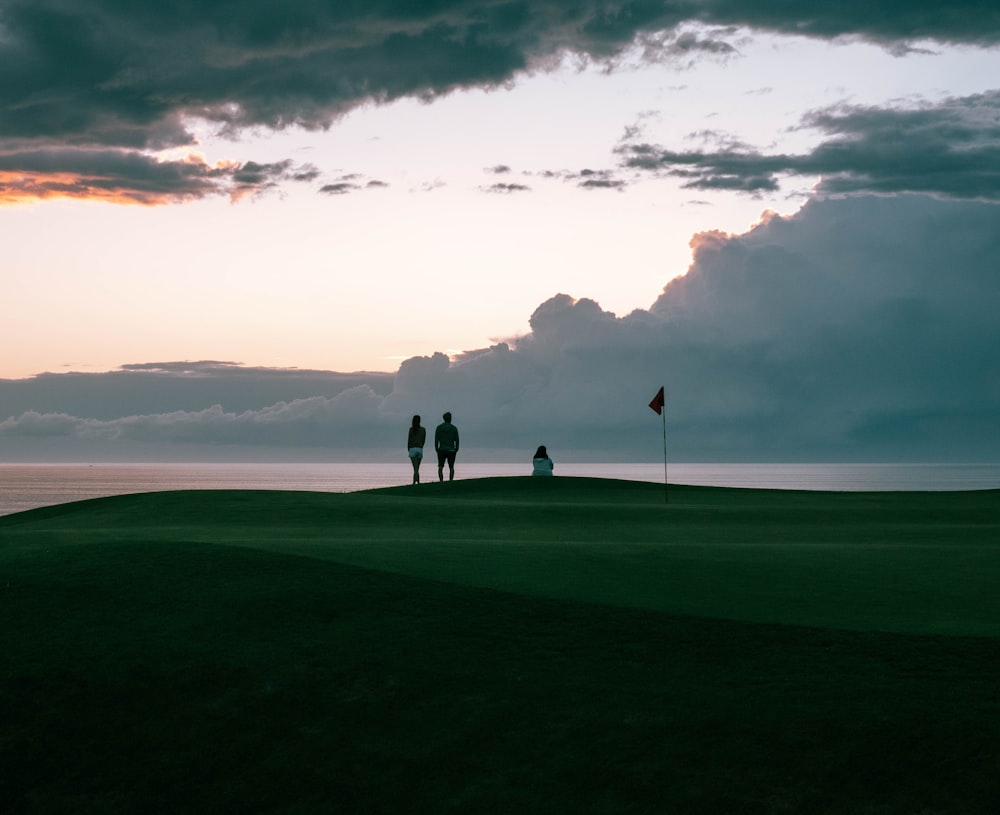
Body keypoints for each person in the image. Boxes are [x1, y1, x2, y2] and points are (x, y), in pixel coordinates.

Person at [434, 411, 460, 482]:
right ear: (450, 418)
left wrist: (437, 448)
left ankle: (441, 481)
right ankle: (450, 481)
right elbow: (457, 440)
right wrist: (456, 449)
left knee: (440, 467)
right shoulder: (454, 428)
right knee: (451, 467)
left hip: (441, 449)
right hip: (451, 450)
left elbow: (436, 439)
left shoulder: (439, 428)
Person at [407, 415, 427, 485]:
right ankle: (417, 481)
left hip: (412, 449)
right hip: (419, 449)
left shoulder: (411, 429)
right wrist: (421, 446)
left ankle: (415, 482)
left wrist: (408, 449)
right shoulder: (423, 429)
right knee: (417, 468)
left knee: (415, 468)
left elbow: (409, 440)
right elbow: (424, 440)